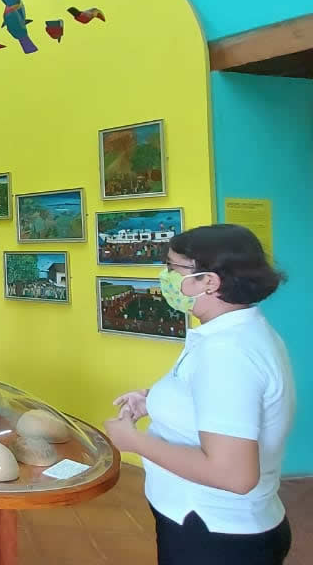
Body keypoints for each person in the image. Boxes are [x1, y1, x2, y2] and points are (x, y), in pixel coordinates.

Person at [106, 225, 293, 565]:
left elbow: (233, 475)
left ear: (209, 281)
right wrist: (154, 403)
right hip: (208, 526)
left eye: (172, 269)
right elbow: (216, 405)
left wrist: (133, 442)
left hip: (216, 535)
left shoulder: (229, 352)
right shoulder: (233, 332)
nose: (165, 278)